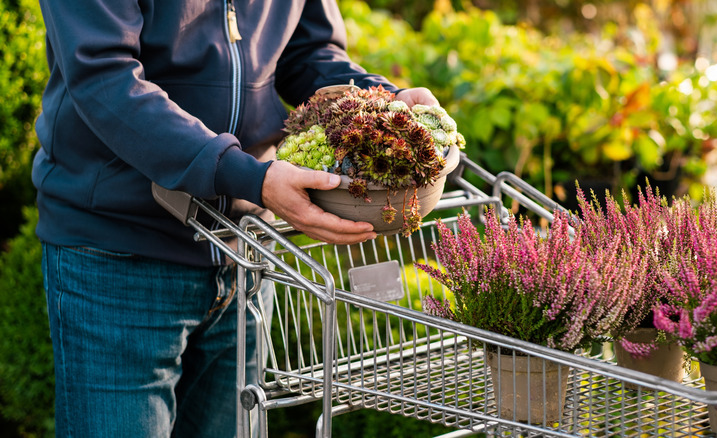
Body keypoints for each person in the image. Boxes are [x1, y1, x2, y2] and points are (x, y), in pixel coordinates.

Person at [32, 1, 438, 436]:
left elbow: (309, 54)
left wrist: (385, 102)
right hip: (118, 255)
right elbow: (103, 78)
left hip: (243, 257)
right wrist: (248, 176)